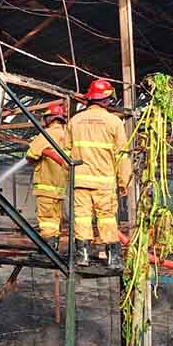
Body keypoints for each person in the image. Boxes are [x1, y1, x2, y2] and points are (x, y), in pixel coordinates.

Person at [67, 79, 131, 269]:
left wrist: (69, 177)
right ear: (107, 99)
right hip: (105, 183)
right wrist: (124, 181)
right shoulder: (114, 122)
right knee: (107, 218)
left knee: (82, 218)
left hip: (80, 182)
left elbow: (65, 153)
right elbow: (122, 155)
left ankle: (82, 256)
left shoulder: (74, 121)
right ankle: (113, 258)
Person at [25, 103, 69, 258]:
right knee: (55, 219)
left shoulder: (46, 135)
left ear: (50, 118)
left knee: (46, 219)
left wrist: (40, 153)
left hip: (46, 184)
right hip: (60, 187)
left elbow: (30, 155)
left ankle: (47, 251)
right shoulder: (68, 135)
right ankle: (54, 247)